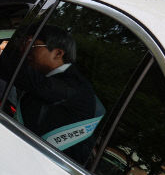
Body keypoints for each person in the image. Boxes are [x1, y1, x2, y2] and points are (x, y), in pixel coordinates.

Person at [11, 24, 103, 162]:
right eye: (24, 43)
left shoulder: (74, 86)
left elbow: (32, 81)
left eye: (31, 45)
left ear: (58, 54)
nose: (23, 50)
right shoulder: (49, 78)